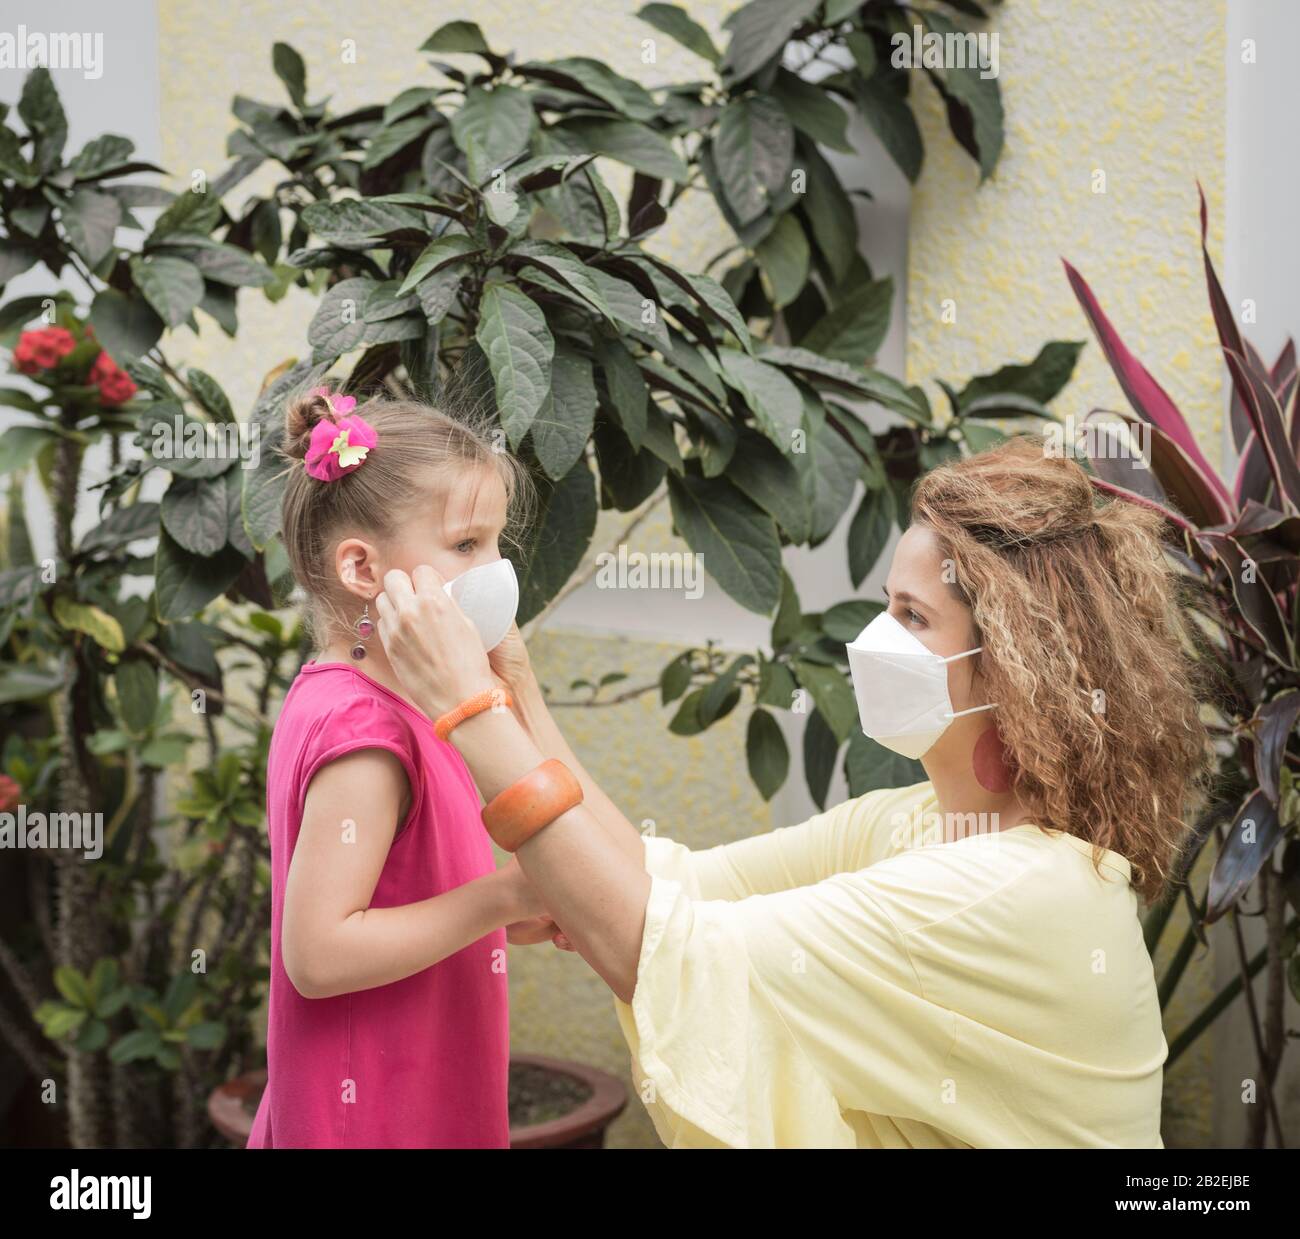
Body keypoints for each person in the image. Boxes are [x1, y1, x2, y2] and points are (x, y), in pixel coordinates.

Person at [376, 434, 1214, 1148]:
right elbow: (665, 887)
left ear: (1015, 669)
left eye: (913, 617)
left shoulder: (1000, 893)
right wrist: (514, 684)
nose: (875, 637)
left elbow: (662, 950)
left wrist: (466, 710)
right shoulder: (923, 823)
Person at [246, 387, 555, 1149]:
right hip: (369, 1118)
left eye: (493, 542)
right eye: (466, 545)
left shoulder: (401, 698)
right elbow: (320, 954)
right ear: (361, 567)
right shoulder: (365, 729)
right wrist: (502, 894)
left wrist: (505, 913)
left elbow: (404, 891)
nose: (495, 569)